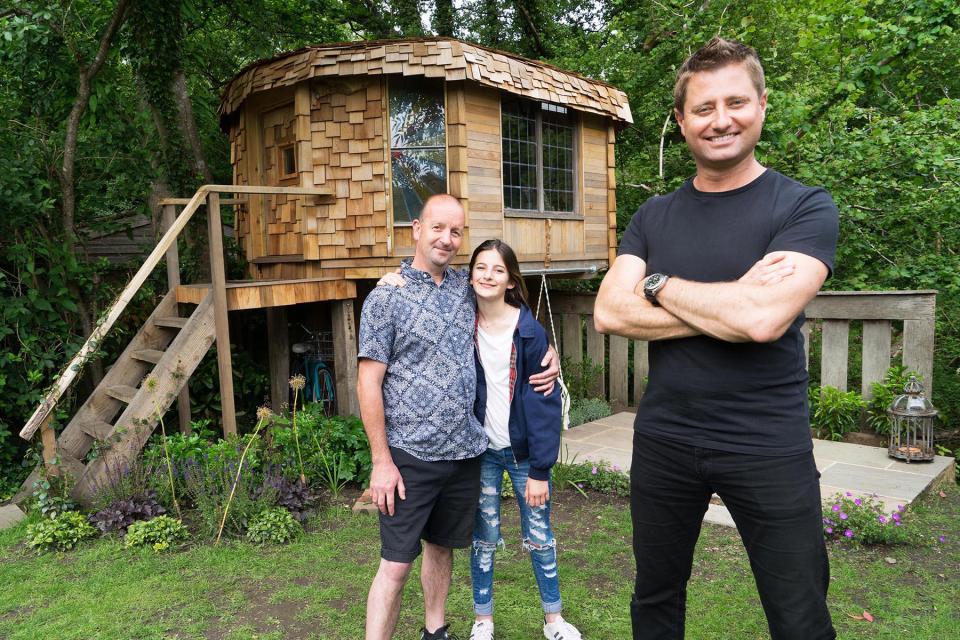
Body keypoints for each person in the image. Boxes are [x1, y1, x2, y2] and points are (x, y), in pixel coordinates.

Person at [594, 38, 839, 640]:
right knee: (654, 597)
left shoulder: (803, 206)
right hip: (665, 438)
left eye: (735, 102)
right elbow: (607, 311)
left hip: (766, 441)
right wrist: (731, 300)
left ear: (761, 105)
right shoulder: (654, 215)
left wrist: (655, 283)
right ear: (681, 122)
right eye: (703, 108)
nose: (720, 119)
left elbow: (762, 321)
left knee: (799, 611)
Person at [357, 194, 558, 640]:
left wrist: (548, 355)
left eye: (455, 232)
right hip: (409, 455)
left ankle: (437, 630)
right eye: (438, 228)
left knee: (443, 549)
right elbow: (367, 382)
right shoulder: (386, 297)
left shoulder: (463, 288)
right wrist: (381, 461)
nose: (446, 239)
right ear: (416, 228)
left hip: (466, 452)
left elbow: (508, 319)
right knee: (395, 563)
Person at [465, 240, 581, 640]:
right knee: (484, 539)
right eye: (480, 267)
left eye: (497, 270)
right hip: (481, 453)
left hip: (523, 456)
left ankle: (554, 620)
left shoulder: (529, 334)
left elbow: (544, 405)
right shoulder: (463, 324)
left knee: (540, 537)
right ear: (471, 273)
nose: (487, 276)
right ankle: (483, 620)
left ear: (510, 280)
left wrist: (541, 470)